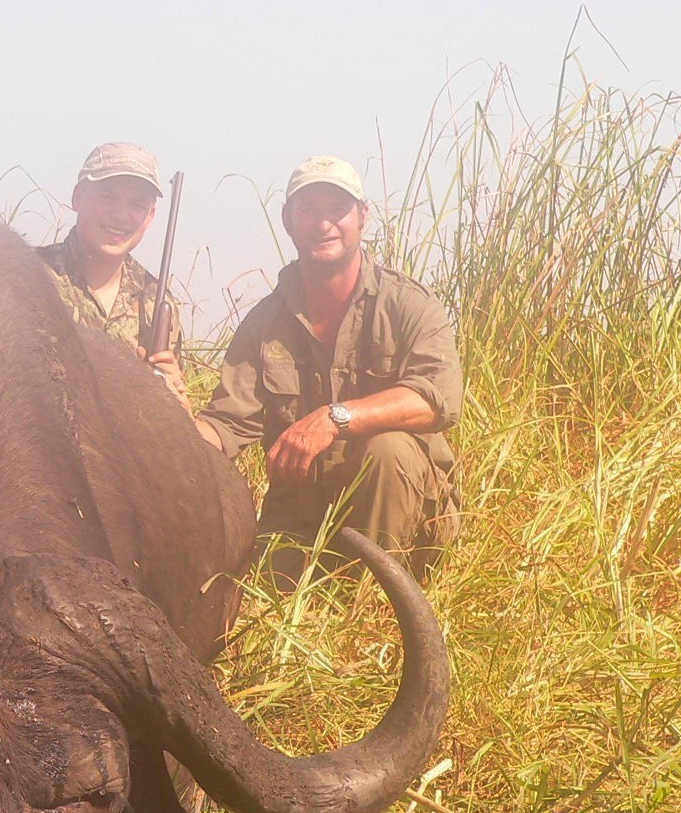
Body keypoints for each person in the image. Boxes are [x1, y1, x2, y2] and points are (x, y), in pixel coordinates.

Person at [193, 156, 463, 582]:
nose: (324, 224)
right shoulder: (263, 324)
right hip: (301, 518)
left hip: (406, 519)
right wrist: (163, 434)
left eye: (336, 210)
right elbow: (224, 425)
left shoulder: (410, 304)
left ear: (362, 217)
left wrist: (335, 419)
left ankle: (375, 607)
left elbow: (436, 401)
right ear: (288, 221)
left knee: (388, 449)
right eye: (309, 211)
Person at [38, 142, 189, 408]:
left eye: (137, 204)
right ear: (77, 197)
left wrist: (176, 400)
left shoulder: (158, 303)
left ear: (150, 216)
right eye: (107, 197)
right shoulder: (31, 278)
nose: (121, 215)